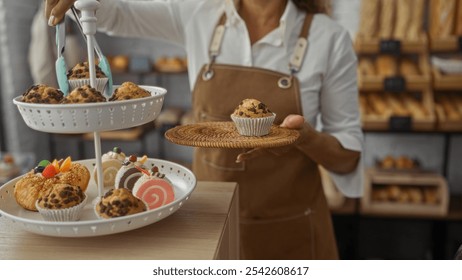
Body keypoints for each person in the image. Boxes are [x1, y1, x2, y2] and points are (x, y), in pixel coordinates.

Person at [46, 0, 363, 260]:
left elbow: (347, 157)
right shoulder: (200, 12)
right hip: (207, 222)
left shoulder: (329, 38)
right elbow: (114, 15)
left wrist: (304, 137)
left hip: (291, 230)